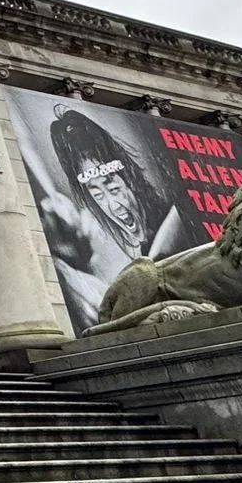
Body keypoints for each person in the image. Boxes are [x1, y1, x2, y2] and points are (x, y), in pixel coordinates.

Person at [33, 105, 191, 330]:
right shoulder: (97, 264)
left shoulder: (174, 221)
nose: (113, 205)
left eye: (114, 188)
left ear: (130, 180)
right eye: (97, 195)